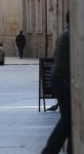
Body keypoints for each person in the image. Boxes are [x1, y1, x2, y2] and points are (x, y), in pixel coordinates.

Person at [42, 12, 71, 154]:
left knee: (69, 120)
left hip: (59, 79)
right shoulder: (70, 35)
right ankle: (49, 151)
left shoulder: (66, 33)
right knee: (68, 119)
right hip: (62, 81)